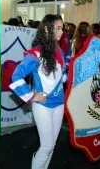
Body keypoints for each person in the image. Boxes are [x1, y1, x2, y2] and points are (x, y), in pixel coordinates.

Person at [10, 14, 66, 169]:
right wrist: (32, 96)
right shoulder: (35, 53)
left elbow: (60, 77)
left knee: (52, 145)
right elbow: (16, 76)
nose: (62, 32)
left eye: (62, 28)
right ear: (48, 29)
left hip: (59, 103)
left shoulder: (60, 52)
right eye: (59, 28)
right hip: (43, 105)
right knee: (47, 146)